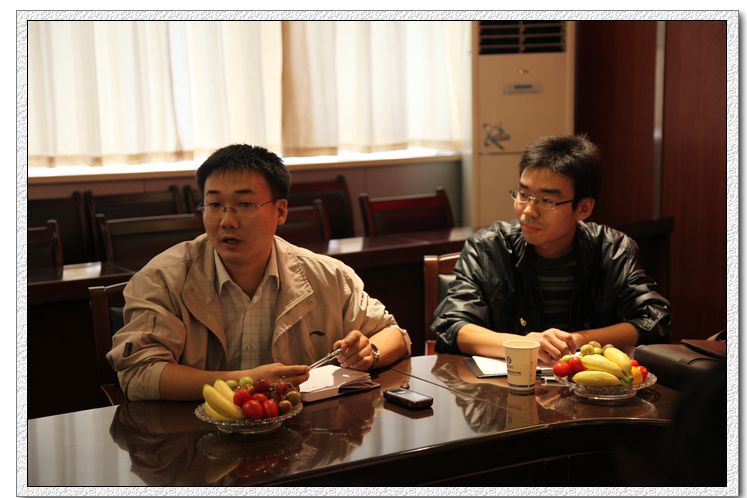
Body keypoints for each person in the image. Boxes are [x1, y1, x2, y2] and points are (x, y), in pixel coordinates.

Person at [107, 144, 411, 401]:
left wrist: (369, 352)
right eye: (214, 204)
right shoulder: (163, 278)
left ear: (281, 211)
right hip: (194, 437)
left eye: (244, 204)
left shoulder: (327, 276)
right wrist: (246, 381)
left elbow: (395, 335)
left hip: (305, 436)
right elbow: (139, 373)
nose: (227, 220)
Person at [432, 134, 670, 364]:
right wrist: (525, 344)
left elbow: (653, 320)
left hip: (590, 384)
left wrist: (575, 340)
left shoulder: (613, 250)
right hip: (503, 385)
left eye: (547, 201)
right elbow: (451, 326)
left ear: (584, 208)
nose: (528, 211)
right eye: (523, 194)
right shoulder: (488, 247)